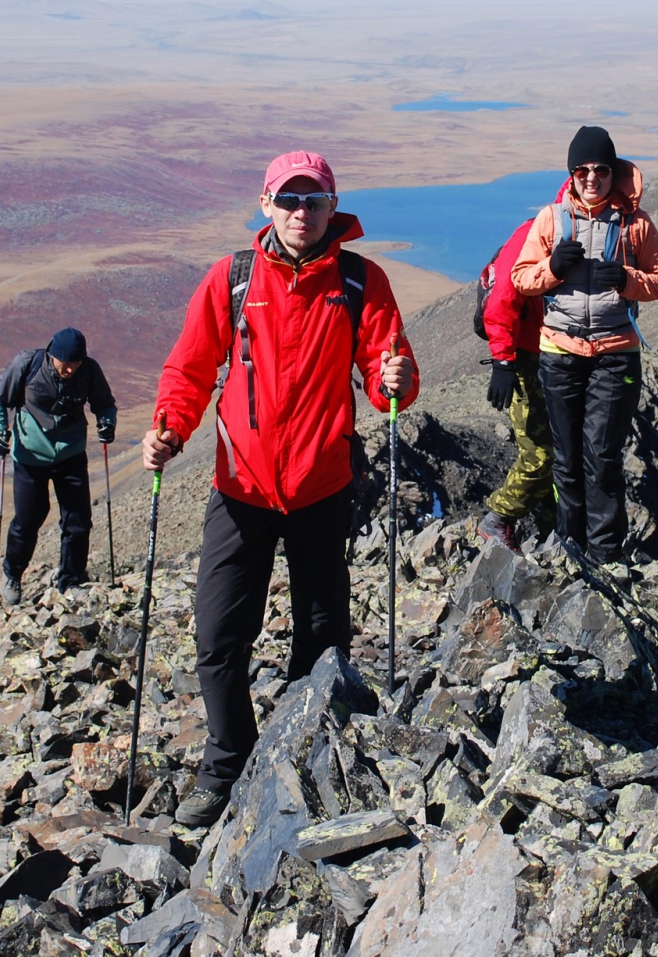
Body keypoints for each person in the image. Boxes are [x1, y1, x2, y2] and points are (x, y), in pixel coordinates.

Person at [143, 151, 418, 828]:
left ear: (333, 206)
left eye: (313, 201)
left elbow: (393, 368)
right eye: (288, 201)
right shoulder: (233, 279)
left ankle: (303, 750)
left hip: (322, 485)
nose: (301, 213)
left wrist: (396, 379)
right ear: (265, 204)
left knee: (323, 637)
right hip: (240, 486)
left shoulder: (357, 281)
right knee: (217, 633)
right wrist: (168, 430)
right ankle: (225, 761)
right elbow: (190, 367)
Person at [511, 125, 658, 564]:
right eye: (582, 170)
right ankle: (571, 548)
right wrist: (552, 268)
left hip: (615, 352)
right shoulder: (551, 219)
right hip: (560, 353)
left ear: (612, 171)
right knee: (567, 458)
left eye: (601, 169)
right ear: (572, 173)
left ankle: (605, 555)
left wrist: (625, 279)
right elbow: (521, 279)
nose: (591, 178)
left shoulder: (635, 224)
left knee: (601, 456)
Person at [0, 327, 118, 604]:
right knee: (28, 520)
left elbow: (105, 404)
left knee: (78, 521)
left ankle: (71, 580)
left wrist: (107, 424)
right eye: (64, 364)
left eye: (75, 364)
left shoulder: (89, 371)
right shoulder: (27, 364)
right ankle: (12, 574)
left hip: (71, 454)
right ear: (51, 355)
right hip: (30, 457)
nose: (69, 370)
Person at [478, 217, 553, 551]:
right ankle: (497, 518)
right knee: (541, 453)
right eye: (583, 172)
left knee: (569, 451)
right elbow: (501, 300)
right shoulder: (541, 228)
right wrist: (504, 362)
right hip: (528, 357)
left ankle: (556, 531)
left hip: (568, 357)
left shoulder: (606, 228)